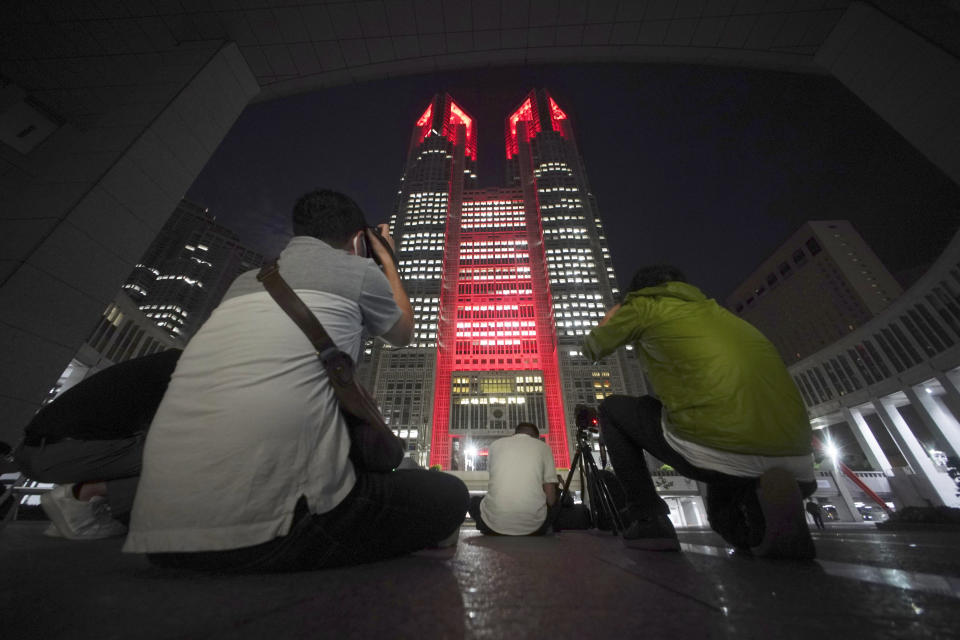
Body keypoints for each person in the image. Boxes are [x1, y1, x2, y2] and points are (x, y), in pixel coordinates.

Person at [123, 189, 468, 571]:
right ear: (358, 238)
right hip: (273, 532)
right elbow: (403, 334)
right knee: (449, 494)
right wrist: (387, 260)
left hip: (159, 539)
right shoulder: (359, 271)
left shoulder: (244, 280)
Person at [582, 265, 816, 559]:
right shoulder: (722, 314)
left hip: (717, 446)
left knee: (612, 409)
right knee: (725, 524)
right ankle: (765, 507)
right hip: (798, 458)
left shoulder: (642, 306)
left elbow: (592, 348)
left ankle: (649, 520)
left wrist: (615, 313)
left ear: (638, 291)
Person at [12, 349, 182, 539]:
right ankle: (81, 498)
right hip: (65, 452)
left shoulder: (166, 363)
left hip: (34, 450)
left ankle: (75, 511)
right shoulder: (185, 369)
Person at [468, 423, 559, 536]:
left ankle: (490, 524)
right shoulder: (543, 447)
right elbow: (550, 499)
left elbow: (495, 479)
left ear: (515, 434)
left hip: (492, 527)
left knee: (473, 501)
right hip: (535, 529)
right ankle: (548, 527)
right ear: (537, 437)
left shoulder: (495, 445)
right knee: (556, 494)